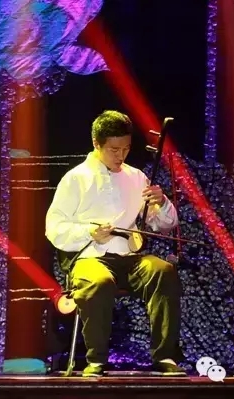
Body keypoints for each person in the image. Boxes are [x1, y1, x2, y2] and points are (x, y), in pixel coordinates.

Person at [45, 110, 186, 377]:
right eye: (114, 149)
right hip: (89, 259)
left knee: (163, 271)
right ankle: (96, 360)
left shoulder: (136, 177)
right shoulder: (76, 179)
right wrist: (89, 232)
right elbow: (54, 228)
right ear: (96, 144)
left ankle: (165, 356)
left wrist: (162, 202)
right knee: (98, 282)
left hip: (129, 258)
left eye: (126, 149)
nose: (121, 156)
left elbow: (163, 225)